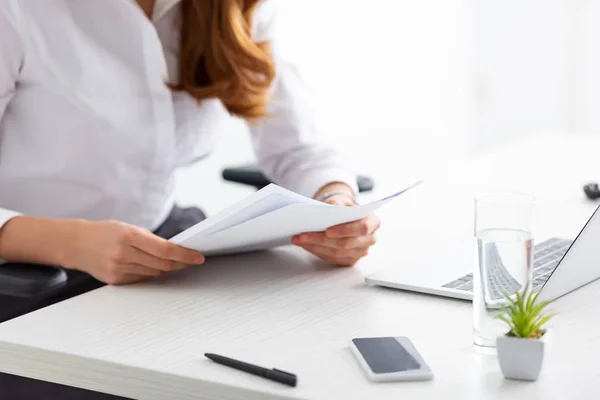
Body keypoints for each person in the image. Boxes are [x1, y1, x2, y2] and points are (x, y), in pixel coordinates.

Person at [0, 0, 380, 397]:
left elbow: (299, 149)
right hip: (29, 279)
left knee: (299, 355)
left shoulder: (235, 6)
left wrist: (336, 205)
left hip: (159, 254)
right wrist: (72, 243)